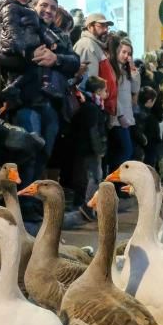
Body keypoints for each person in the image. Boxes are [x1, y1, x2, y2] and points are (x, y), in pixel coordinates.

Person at [0, 0, 79, 186]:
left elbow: (74, 62)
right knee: (28, 153)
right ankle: (23, 201)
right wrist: (30, 55)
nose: (48, 10)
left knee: (45, 153)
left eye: (53, 7)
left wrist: (56, 59)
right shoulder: (21, 28)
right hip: (26, 101)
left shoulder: (60, 36)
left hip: (51, 103)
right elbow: (3, 57)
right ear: (34, 7)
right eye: (44, 5)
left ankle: (33, 197)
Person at [72, 76, 108, 221]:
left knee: (91, 175)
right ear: (98, 91)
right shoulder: (92, 108)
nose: (107, 93)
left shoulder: (89, 105)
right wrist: (99, 149)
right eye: (105, 90)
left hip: (87, 147)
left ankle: (88, 204)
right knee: (95, 176)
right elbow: (94, 131)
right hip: (91, 148)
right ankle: (88, 205)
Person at [110, 35, 139, 167]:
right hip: (117, 117)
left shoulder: (125, 70)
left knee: (124, 151)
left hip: (126, 116)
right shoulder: (113, 69)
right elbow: (113, 94)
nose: (126, 56)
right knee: (126, 150)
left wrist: (133, 69)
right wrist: (120, 114)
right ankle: (116, 181)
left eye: (129, 53)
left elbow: (135, 88)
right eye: (124, 52)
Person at [73, 12, 112, 79]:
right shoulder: (87, 45)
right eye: (102, 26)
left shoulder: (95, 44)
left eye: (107, 26)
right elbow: (90, 80)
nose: (106, 30)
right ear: (90, 27)